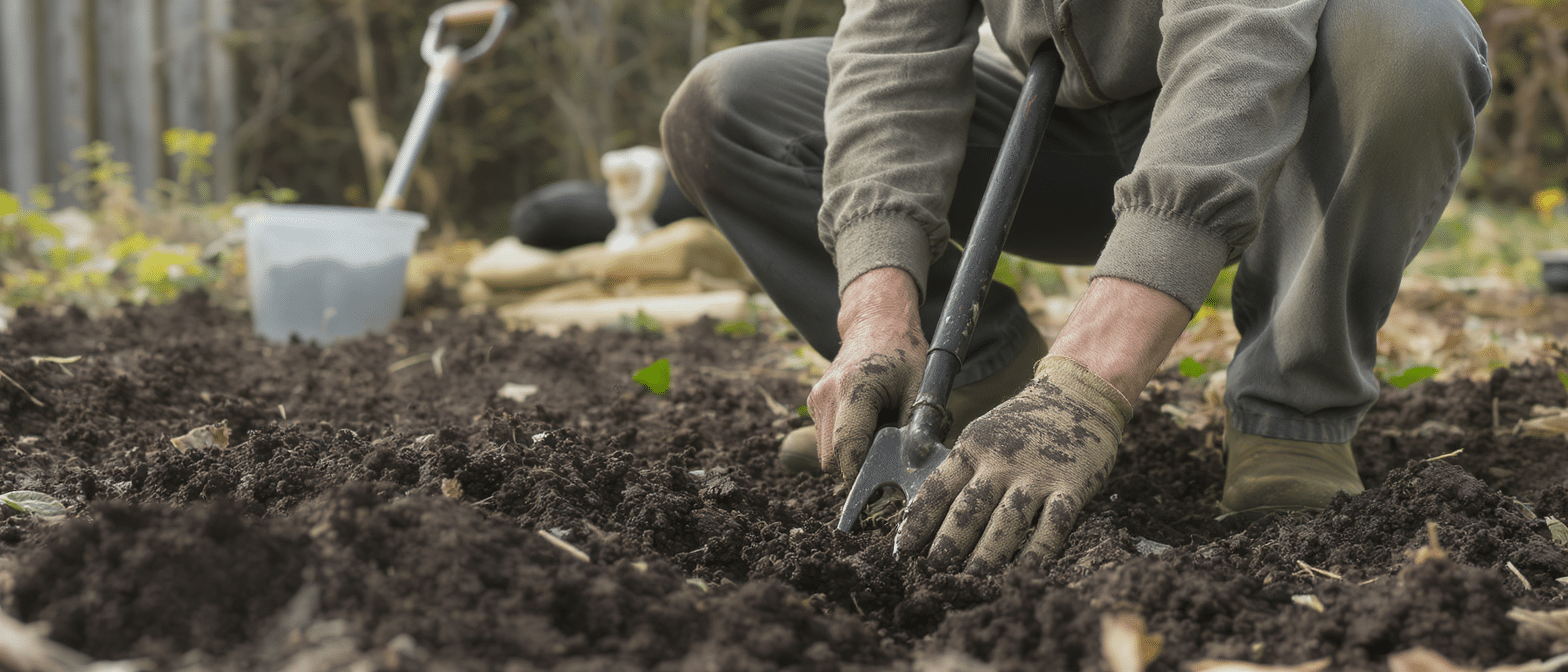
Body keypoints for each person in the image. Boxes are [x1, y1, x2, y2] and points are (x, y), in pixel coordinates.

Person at [659, 0, 1491, 575]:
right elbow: (892, 47)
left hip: (1273, 110)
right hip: (1052, 120)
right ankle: (974, 375)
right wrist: (877, 312)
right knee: (731, 106)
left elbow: (1240, 42)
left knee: (1410, 35)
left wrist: (1089, 382)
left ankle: (1291, 409)